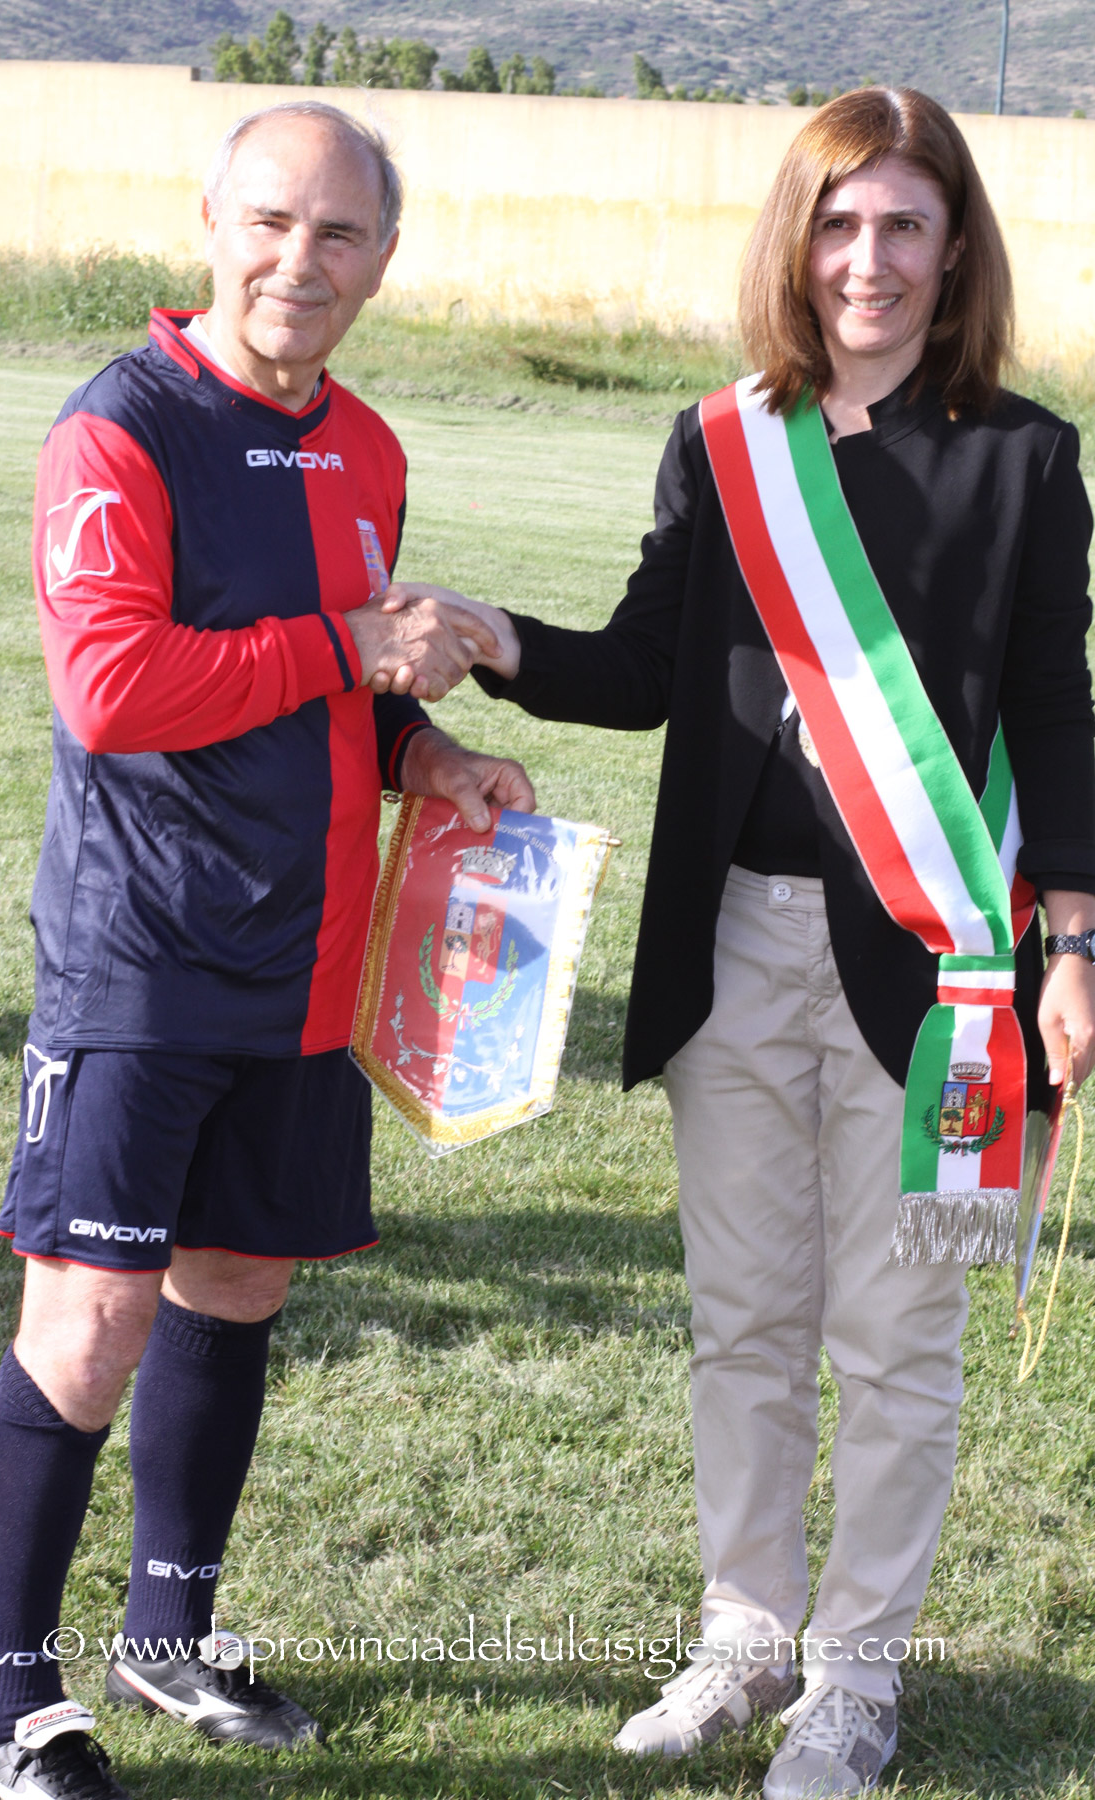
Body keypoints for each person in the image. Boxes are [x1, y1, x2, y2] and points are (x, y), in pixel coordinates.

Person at [387, 87, 1095, 1797]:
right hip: (733, 954)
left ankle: (855, 1684)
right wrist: (499, 639)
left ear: (955, 247)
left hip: (945, 983)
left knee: (899, 1342)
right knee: (747, 1327)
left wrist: (1077, 939)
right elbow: (649, 667)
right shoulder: (721, 443)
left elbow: (1060, 708)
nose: (870, 259)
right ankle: (746, 1638)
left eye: (906, 223)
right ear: (798, 239)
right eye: (840, 223)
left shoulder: (1025, 456)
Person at [0, 101, 532, 1800]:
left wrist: (435, 754)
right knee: (91, 1327)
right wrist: (350, 640)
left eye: (339, 233)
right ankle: (9, 1712)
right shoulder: (120, 430)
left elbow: (346, 691)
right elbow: (113, 688)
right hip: (140, 964)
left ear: (384, 259)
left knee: (238, 1287)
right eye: (271, 222)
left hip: (309, 969)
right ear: (210, 222)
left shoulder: (368, 449)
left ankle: (171, 1635)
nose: (300, 260)